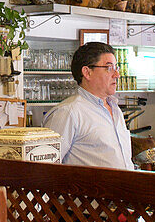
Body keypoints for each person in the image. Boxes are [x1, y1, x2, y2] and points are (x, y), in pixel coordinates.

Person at [44, 42, 133, 170]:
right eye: (109, 68)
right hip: (88, 190)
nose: (116, 75)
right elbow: (46, 167)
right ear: (87, 72)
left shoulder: (115, 109)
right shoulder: (68, 112)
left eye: (116, 67)